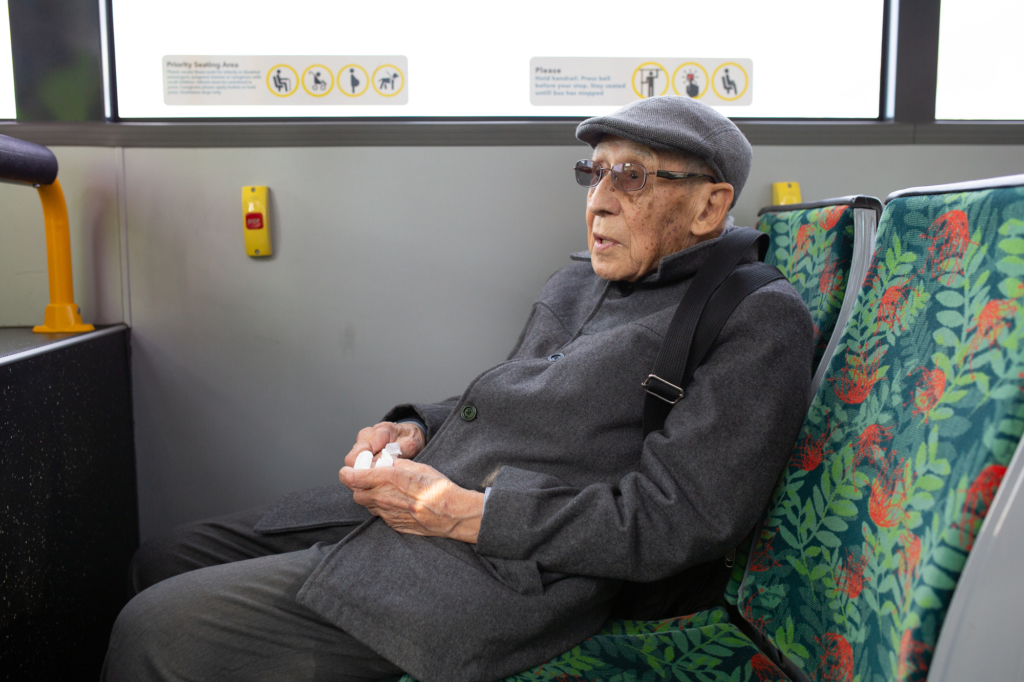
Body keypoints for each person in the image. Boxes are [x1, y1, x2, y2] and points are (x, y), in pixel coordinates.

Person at [103, 96, 814, 682]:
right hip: (431, 501)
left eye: (631, 176)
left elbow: (675, 521)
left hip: (509, 568)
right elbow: (515, 400)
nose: (597, 202)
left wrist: (467, 515)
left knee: (154, 630)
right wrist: (415, 429)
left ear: (709, 206)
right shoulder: (584, 278)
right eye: (592, 173)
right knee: (161, 557)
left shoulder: (754, 317)